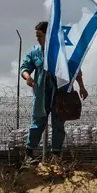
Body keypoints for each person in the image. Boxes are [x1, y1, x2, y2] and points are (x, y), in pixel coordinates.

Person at [21, 21, 88, 163]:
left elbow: (75, 70)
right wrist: (28, 77)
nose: (38, 39)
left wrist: (81, 86)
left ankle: (56, 156)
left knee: (58, 124)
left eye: (40, 36)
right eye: (37, 36)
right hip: (41, 94)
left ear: (48, 35)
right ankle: (29, 153)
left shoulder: (62, 52)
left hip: (60, 94)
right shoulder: (35, 52)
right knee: (37, 123)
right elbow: (25, 67)